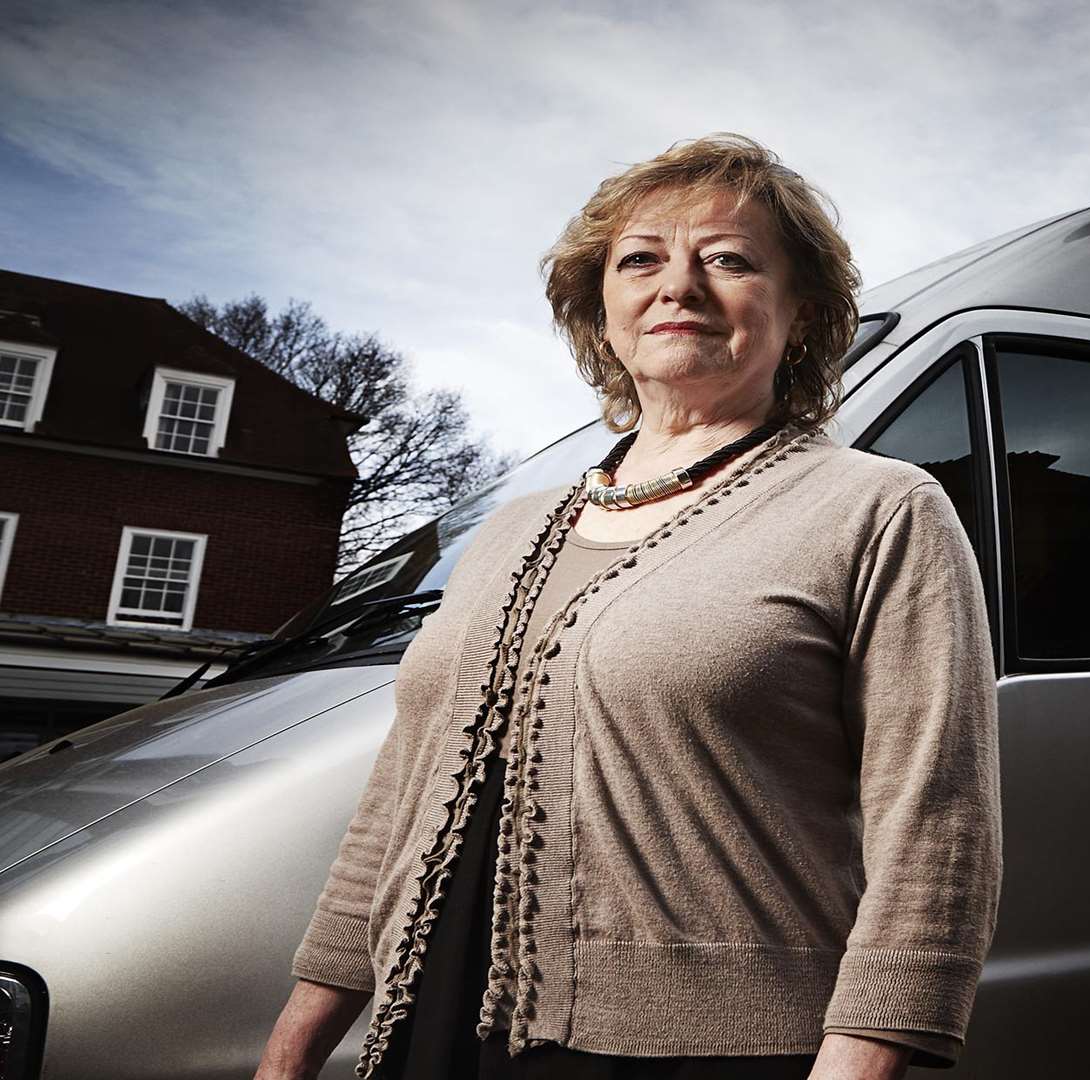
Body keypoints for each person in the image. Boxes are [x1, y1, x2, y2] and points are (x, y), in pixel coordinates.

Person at [255, 134, 1003, 1080]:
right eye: (641, 259)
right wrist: (294, 1044)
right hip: (432, 1022)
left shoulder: (881, 509)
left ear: (802, 312)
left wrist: (862, 1061)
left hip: (716, 1051)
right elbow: (398, 797)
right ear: (599, 311)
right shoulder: (513, 526)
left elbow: (938, 826)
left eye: (729, 260)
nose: (678, 286)